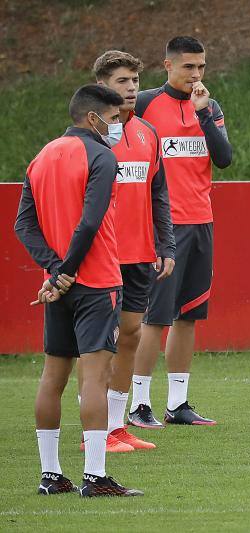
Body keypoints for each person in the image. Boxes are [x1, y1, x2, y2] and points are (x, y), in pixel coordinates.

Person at [15, 84, 143, 497]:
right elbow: (89, 223)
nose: (118, 126)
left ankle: (51, 475)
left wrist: (54, 272)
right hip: (98, 281)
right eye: (115, 118)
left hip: (60, 286)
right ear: (93, 118)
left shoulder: (41, 157)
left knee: (53, 376)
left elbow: (24, 226)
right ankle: (95, 476)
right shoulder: (101, 156)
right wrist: (67, 269)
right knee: (95, 377)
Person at [131, 36, 232, 426]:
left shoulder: (210, 106)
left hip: (201, 221)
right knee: (155, 317)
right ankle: (139, 404)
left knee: (188, 315)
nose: (196, 74)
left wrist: (204, 114)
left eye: (202, 67)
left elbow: (223, 159)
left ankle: (178, 403)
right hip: (162, 227)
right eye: (188, 67)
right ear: (168, 66)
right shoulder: (144, 105)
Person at [85, 50, 175, 442]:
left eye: (136, 82)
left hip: (139, 254)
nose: (132, 89)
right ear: (102, 87)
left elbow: (159, 192)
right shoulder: (88, 138)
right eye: (123, 82)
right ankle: (96, 427)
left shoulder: (146, 133)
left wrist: (166, 244)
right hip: (101, 255)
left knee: (132, 334)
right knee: (100, 344)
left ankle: (117, 426)